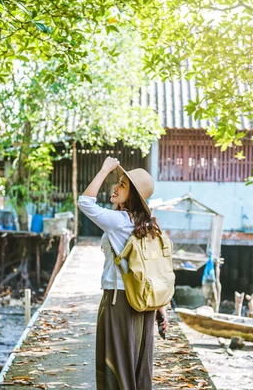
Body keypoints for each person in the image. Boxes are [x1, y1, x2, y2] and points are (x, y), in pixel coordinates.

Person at [78, 156, 168, 390]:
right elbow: (152, 268)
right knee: (138, 366)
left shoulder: (118, 221)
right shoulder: (147, 224)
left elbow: (85, 202)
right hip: (143, 301)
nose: (115, 187)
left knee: (117, 367)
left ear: (134, 196)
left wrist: (104, 169)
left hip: (119, 301)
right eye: (116, 181)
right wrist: (160, 307)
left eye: (122, 185)